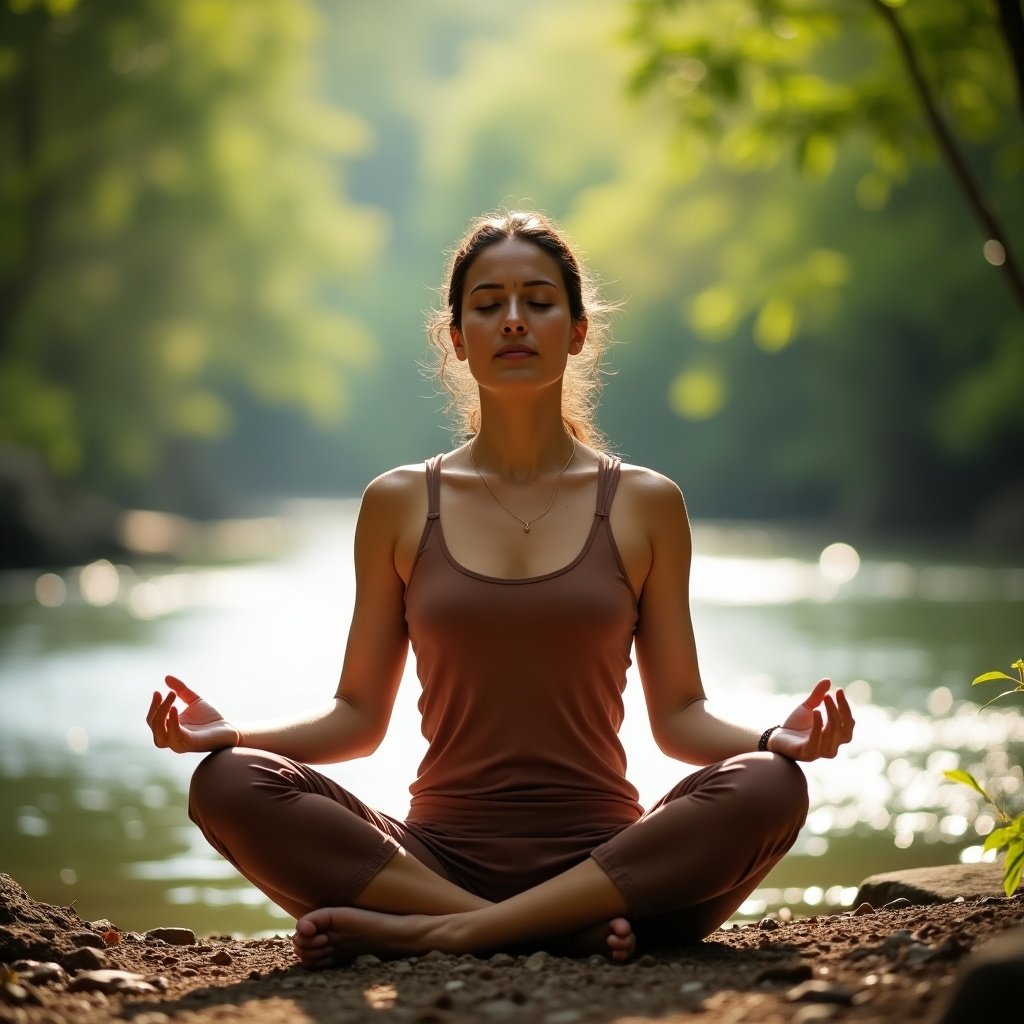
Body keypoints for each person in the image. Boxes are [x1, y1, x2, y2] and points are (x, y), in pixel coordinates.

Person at [146, 209, 855, 969]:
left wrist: (777, 741)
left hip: (609, 859)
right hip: (434, 861)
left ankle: (444, 934)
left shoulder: (647, 502)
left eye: (539, 301)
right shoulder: (399, 501)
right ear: (456, 337)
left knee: (771, 786)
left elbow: (680, 717)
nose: (513, 320)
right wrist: (230, 736)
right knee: (227, 783)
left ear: (579, 330)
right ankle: (530, 927)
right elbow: (356, 718)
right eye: (487, 304)